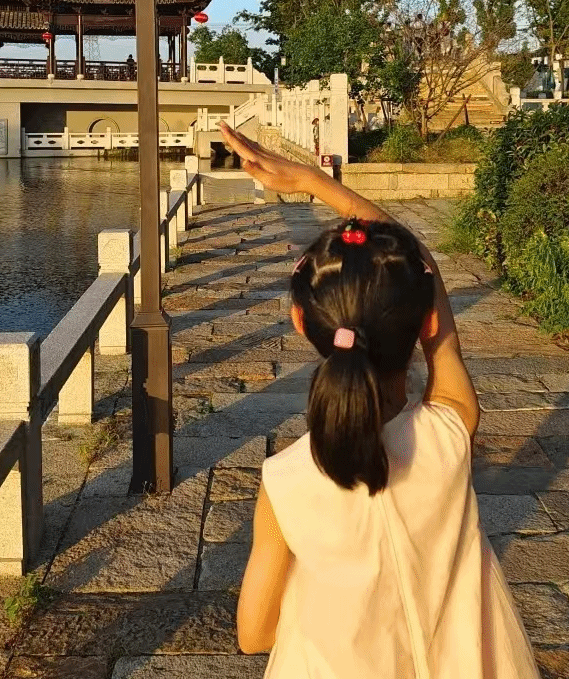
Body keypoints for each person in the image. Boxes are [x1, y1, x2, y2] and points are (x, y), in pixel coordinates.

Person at [219, 122, 541, 679]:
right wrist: (316, 182)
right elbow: (421, 263)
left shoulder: (286, 481)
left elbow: (255, 634)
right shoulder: (450, 435)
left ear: (300, 322)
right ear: (427, 322)